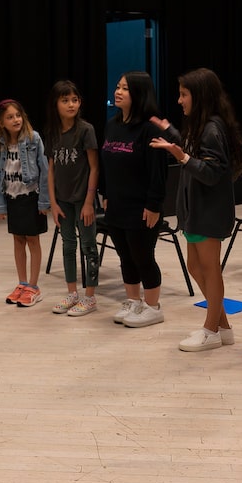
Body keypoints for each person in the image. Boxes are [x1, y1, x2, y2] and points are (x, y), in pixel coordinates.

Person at [150, 67, 242, 351]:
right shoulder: (200, 125)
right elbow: (194, 149)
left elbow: (213, 171)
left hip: (209, 212)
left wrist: (181, 156)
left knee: (209, 269)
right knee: (195, 266)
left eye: (183, 94)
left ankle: (211, 329)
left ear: (200, 96)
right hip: (195, 211)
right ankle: (223, 328)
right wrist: (172, 133)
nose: (179, 100)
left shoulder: (212, 128)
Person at [101, 71, 169, 328]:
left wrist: (154, 205)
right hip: (117, 204)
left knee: (142, 256)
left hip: (141, 207)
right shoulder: (112, 124)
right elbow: (107, 163)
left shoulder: (149, 128)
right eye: (117, 87)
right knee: (124, 256)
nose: (118, 92)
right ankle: (133, 301)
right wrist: (106, 195)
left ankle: (153, 306)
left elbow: (158, 173)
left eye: (125, 89)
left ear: (139, 94)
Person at [44, 81, 100, 316]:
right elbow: (51, 170)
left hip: (82, 201)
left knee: (88, 246)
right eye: (65, 100)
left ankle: (90, 297)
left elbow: (95, 168)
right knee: (68, 246)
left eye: (74, 100)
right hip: (63, 201)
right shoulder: (52, 132)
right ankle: (72, 293)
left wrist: (89, 202)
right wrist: (53, 203)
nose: (71, 104)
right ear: (55, 104)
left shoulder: (86, 130)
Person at [0, 99, 50, 307]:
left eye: (18, 115)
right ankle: (22, 283)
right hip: (12, 197)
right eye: (10, 117)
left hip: (31, 196)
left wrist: (44, 200)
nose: (15, 119)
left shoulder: (33, 139)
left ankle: (34, 286)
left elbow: (44, 170)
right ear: (1, 122)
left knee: (32, 240)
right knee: (18, 240)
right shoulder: (0, 142)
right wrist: (0, 204)